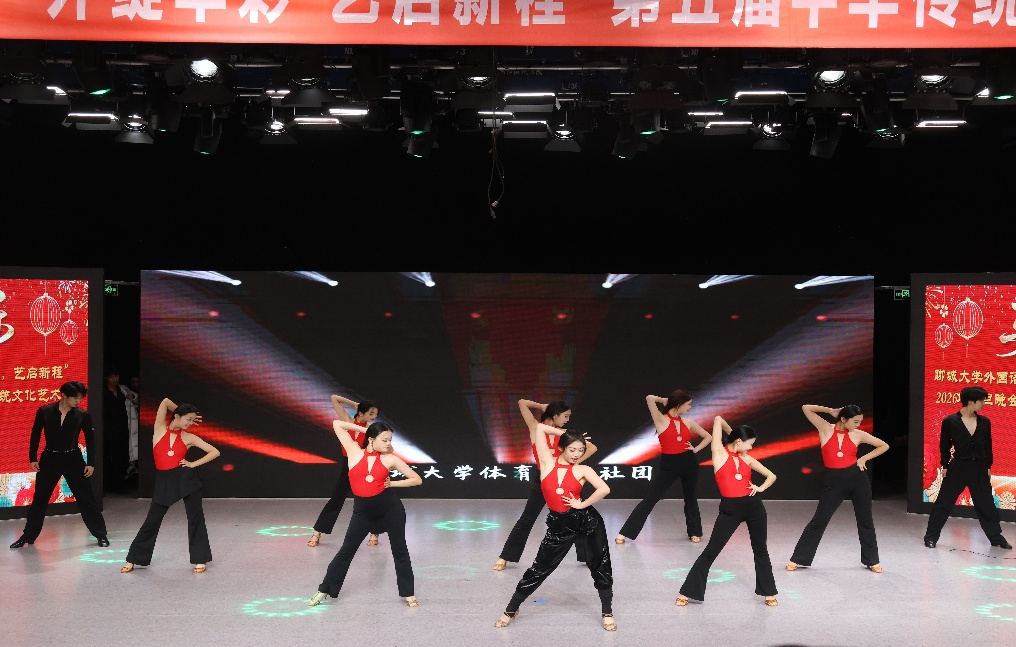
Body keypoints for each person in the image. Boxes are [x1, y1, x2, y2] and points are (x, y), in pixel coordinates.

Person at [494, 400, 615, 631]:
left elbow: (604, 489)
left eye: (581, 450)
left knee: (600, 565)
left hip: (587, 522)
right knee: (539, 568)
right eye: (572, 449)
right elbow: (540, 428)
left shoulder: (583, 469)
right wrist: (567, 434)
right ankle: (511, 609)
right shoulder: (547, 463)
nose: (577, 454)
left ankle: (607, 611)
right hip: (560, 526)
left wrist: (582, 504)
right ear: (562, 448)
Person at [309, 419, 422, 607]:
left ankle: (408, 593)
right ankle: (324, 590)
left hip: (390, 508)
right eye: (384, 439)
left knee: (399, 549)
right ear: (371, 439)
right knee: (346, 550)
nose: (388, 443)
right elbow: (337, 424)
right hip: (363, 512)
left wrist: (393, 483)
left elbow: (416, 479)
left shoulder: (390, 459)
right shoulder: (354, 451)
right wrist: (366, 429)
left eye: (390, 440)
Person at [675, 418, 778, 607]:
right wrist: (734, 434)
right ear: (738, 441)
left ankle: (768, 592)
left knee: (760, 549)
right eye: (750, 443)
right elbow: (718, 420)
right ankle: (687, 592)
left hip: (754, 507)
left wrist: (761, 488)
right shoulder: (719, 453)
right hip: (731, 509)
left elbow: (772, 475)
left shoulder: (747, 458)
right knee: (711, 551)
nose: (751, 448)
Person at [493, 399, 597, 571]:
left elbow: (592, 447)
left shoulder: (565, 435)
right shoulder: (536, 428)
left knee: (578, 517)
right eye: (565, 416)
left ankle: (588, 557)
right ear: (555, 415)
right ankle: (505, 556)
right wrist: (542, 407)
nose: (567, 420)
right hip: (544, 479)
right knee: (527, 519)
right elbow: (521, 402)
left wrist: (572, 464)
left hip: (565, 479)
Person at [121, 397, 220, 573]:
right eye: (188, 419)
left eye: (192, 420)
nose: (190, 423)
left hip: (186, 480)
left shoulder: (189, 437)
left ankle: (200, 559)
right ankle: (133, 559)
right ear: (177, 416)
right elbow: (166, 401)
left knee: (195, 518)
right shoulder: (159, 429)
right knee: (152, 521)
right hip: (164, 481)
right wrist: (180, 409)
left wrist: (192, 464)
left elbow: (215, 451)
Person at [787, 404, 889, 573]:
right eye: (855, 421)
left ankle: (872, 560)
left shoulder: (858, 434)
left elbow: (883, 445)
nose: (858, 425)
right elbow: (806, 408)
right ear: (843, 419)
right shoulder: (825, 428)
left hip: (857, 479)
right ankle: (798, 558)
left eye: (860, 422)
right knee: (819, 520)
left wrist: (864, 458)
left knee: (865, 520)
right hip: (834, 482)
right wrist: (829, 411)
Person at [11, 381, 110, 549]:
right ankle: (28, 536)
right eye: (75, 398)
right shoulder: (45, 411)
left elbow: (90, 439)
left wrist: (91, 463)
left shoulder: (83, 415)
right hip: (50, 458)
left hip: (73, 459)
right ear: (64, 395)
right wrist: (33, 458)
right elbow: (35, 434)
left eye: (80, 398)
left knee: (86, 498)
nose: (78, 401)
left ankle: (101, 534)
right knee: (40, 498)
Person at [615, 390, 712, 545]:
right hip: (670, 463)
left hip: (689, 462)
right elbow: (649, 398)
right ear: (679, 404)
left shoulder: (689, 422)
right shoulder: (660, 419)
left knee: (691, 498)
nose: (690, 407)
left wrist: (695, 449)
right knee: (651, 498)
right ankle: (625, 533)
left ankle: (695, 532)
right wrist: (667, 400)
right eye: (688, 404)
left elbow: (708, 437)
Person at [923, 385, 1012, 550]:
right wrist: (945, 465)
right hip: (958, 466)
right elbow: (944, 445)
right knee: (943, 503)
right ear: (971, 402)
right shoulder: (950, 421)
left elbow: (987, 446)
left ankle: (996, 538)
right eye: (982, 400)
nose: (984, 403)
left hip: (979, 467)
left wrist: (988, 466)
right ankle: (931, 537)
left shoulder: (985, 422)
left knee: (986, 505)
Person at [307, 395, 385, 548]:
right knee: (336, 500)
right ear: (361, 413)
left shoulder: (371, 430)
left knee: (371, 501)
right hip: (347, 466)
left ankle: (375, 532)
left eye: (375, 414)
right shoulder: (348, 421)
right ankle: (317, 533)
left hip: (364, 467)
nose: (373, 417)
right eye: (371, 413)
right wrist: (355, 404)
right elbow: (334, 398)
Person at [101, 366, 131, 493]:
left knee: (121, 458)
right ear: (106, 378)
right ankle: (105, 486)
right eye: (111, 376)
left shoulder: (123, 389)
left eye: (116, 376)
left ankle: (118, 485)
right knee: (106, 458)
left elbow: (135, 398)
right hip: (107, 429)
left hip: (122, 428)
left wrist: (132, 398)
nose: (114, 379)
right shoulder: (102, 391)